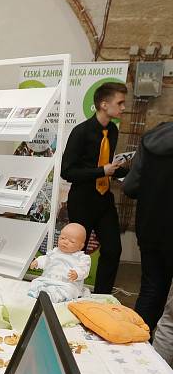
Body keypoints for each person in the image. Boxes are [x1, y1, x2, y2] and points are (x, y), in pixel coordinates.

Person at [61, 82, 129, 294]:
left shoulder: (113, 130)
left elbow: (107, 167)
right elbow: (67, 171)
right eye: (120, 103)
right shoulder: (81, 132)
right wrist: (102, 171)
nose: (124, 108)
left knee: (113, 249)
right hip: (82, 199)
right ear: (103, 104)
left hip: (104, 199)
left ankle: (101, 297)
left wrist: (123, 170)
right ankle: (66, 293)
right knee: (75, 251)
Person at [123, 121, 173, 333]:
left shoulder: (154, 136)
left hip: (150, 225)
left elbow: (130, 186)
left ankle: (136, 344)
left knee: (151, 289)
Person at [28, 223, 90, 303]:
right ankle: (35, 292)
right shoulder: (55, 252)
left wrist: (77, 273)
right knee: (36, 282)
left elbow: (84, 269)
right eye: (62, 238)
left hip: (66, 284)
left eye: (71, 241)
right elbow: (46, 259)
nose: (65, 242)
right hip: (48, 279)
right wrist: (37, 262)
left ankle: (52, 297)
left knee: (69, 291)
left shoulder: (82, 258)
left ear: (80, 246)